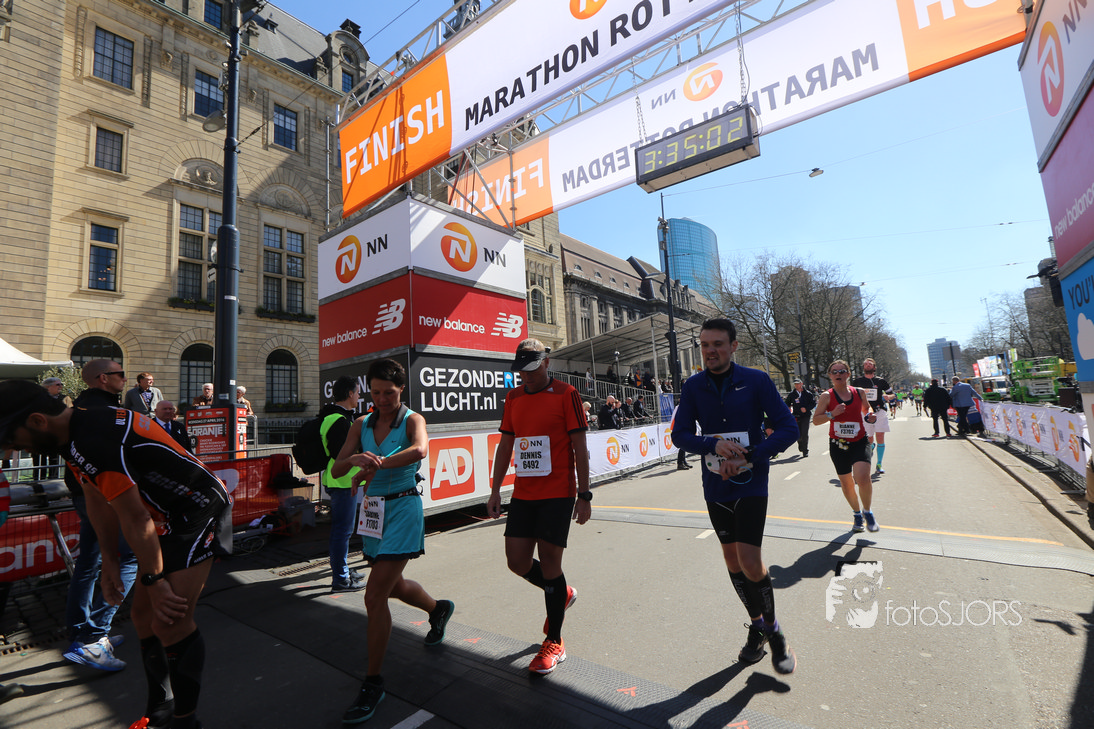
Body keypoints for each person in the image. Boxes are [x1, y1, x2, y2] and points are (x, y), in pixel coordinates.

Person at [0, 378, 232, 729]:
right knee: (142, 617)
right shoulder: (75, 430)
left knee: (170, 621)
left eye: (11, 440)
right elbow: (96, 499)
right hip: (165, 514)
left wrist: (155, 580)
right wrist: (109, 561)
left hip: (197, 509)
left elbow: (135, 518)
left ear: (37, 421)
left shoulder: (94, 439)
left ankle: (185, 723)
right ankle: (159, 710)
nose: (11, 451)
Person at [671, 318, 799, 675]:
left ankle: (775, 633)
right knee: (731, 561)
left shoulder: (756, 380)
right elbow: (680, 435)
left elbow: (788, 427)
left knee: (750, 560)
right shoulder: (693, 386)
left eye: (717, 344)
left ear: (733, 346)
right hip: (716, 485)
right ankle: (757, 625)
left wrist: (753, 455)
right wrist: (711, 444)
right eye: (704, 345)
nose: (710, 351)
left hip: (752, 482)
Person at [331, 359, 452, 724]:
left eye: (389, 392)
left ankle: (373, 682)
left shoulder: (413, 420)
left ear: (402, 390)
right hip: (373, 512)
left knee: (374, 595)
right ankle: (437, 609)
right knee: (393, 585)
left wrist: (377, 464)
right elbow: (336, 468)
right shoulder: (361, 423)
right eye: (376, 392)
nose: (382, 399)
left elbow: (419, 450)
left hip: (403, 508)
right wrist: (355, 459)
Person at [487, 339, 591, 676]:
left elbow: (579, 446)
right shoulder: (514, 397)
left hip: (557, 493)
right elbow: (506, 444)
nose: (526, 376)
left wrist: (584, 494)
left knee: (549, 565)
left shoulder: (566, 394)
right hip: (523, 494)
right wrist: (494, 490)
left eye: (532, 369)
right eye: (521, 371)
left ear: (546, 363)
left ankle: (555, 641)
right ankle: (562, 592)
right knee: (516, 561)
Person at [62, 360, 138, 672]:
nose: (125, 379)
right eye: (120, 374)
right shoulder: (106, 412)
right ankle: (94, 637)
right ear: (103, 378)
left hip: (84, 492)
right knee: (129, 557)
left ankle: (81, 633)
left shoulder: (76, 410)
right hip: (105, 494)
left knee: (88, 563)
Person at [814, 360, 881, 534]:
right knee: (847, 483)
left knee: (863, 478)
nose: (838, 374)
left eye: (842, 371)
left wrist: (870, 415)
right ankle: (857, 514)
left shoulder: (859, 392)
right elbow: (816, 420)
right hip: (838, 444)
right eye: (834, 371)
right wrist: (832, 414)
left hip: (859, 441)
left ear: (848, 374)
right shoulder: (826, 396)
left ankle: (868, 511)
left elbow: (866, 409)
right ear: (830, 376)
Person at [319, 376, 366, 593]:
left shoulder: (335, 417)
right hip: (342, 482)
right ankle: (340, 579)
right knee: (342, 532)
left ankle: (344, 571)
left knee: (343, 530)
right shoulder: (340, 421)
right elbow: (342, 456)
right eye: (357, 392)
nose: (359, 396)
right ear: (349, 393)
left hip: (340, 481)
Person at [851, 358, 893, 474]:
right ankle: (871, 447)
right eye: (865, 364)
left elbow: (891, 394)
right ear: (863, 367)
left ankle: (879, 464)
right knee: (869, 438)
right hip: (865, 412)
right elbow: (851, 395)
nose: (867, 365)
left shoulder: (881, 381)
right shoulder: (858, 381)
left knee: (880, 436)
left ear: (874, 367)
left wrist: (888, 397)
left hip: (879, 411)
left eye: (870, 364)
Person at [784, 379, 816, 458]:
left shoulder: (807, 393)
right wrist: (788, 408)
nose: (797, 385)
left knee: (804, 433)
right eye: (795, 384)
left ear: (801, 384)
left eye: (798, 384)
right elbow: (787, 403)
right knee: (798, 434)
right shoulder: (792, 394)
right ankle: (800, 444)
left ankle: (805, 451)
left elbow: (813, 403)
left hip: (806, 416)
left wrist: (806, 408)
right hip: (796, 416)